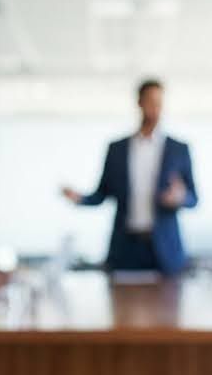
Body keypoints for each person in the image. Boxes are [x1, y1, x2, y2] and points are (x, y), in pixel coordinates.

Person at [62, 79, 198, 274]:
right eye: (151, 102)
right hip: (126, 247)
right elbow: (101, 194)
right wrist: (80, 198)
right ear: (139, 103)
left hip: (164, 249)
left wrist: (180, 198)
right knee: (121, 302)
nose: (156, 109)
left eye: (160, 103)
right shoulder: (117, 149)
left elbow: (194, 198)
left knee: (167, 303)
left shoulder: (179, 149)